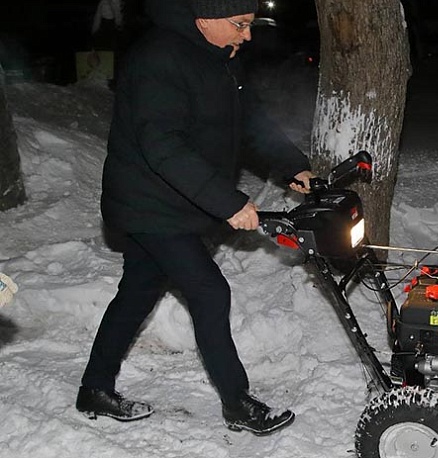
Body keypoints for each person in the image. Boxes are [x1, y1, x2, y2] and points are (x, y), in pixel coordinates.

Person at [76, 0, 314, 436]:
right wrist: (228, 203)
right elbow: (162, 146)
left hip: (175, 201)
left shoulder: (219, 57)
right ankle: (237, 403)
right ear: (205, 18)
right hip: (148, 203)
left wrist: (290, 164)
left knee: (137, 292)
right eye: (240, 25)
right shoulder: (158, 59)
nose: (247, 36)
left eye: (249, 25)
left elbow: (247, 123)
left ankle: (94, 388)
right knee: (208, 291)